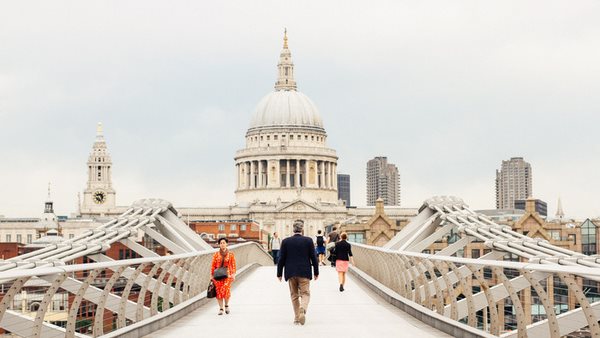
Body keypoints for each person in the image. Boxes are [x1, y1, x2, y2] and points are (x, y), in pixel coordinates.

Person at [277, 220, 319, 325]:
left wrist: (279, 273)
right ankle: (303, 308)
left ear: (293, 229)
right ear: (302, 229)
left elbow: (281, 258)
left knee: (294, 295)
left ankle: (296, 318)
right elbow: (313, 257)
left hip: (291, 272)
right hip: (304, 272)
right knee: (305, 293)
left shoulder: (286, 241)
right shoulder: (308, 241)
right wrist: (316, 272)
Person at [210, 237, 237, 315]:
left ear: (226, 244)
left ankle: (226, 305)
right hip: (217, 275)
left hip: (227, 275)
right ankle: (221, 308)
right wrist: (211, 275)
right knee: (218, 292)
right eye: (221, 243)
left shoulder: (230, 254)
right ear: (219, 245)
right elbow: (213, 265)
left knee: (226, 290)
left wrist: (233, 274)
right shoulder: (216, 254)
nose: (222, 244)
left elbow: (233, 265)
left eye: (224, 243)